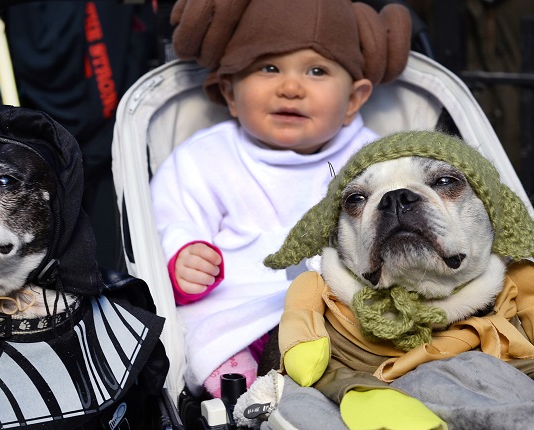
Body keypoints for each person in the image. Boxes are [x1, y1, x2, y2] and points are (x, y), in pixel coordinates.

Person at [150, 0, 411, 398]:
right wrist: (183, 256)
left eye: (317, 71)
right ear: (230, 92)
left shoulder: (377, 157)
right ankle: (251, 399)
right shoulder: (203, 158)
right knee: (214, 345)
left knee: (388, 329)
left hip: (340, 304)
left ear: (354, 100)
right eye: (268, 68)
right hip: (239, 304)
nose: (290, 87)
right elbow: (171, 219)